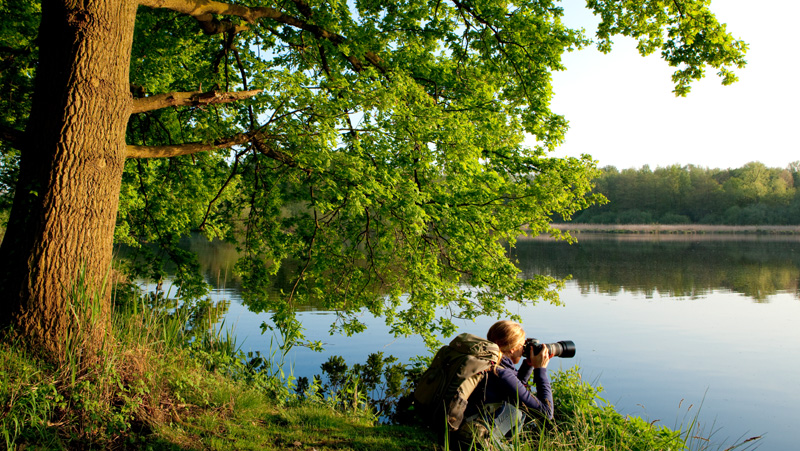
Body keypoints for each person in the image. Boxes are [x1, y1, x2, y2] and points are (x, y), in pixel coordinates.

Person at [464, 320, 554, 421]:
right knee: (516, 414)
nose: (524, 350)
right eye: (522, 346)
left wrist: (528, 365)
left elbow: (514, 388)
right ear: (513, 349)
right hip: (474, 431)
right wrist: (540, 369)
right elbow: (546, 413)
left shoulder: (487, 363)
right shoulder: (501, 373)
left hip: (462, 423)